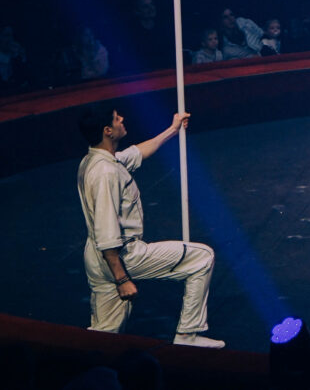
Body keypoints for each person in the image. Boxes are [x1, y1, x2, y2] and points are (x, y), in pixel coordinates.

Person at [75, 102, 222, 347]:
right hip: (122, 256)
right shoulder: (106, 173)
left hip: (96, 259)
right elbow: (107, 231)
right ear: (107, 131)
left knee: (105, 334)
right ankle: (187, 335)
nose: (122, 119)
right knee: (202, 258)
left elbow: (137, 152)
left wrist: (172, 130)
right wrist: (122, 279)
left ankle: (90, 362)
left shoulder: (95, 160)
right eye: (116, 118)